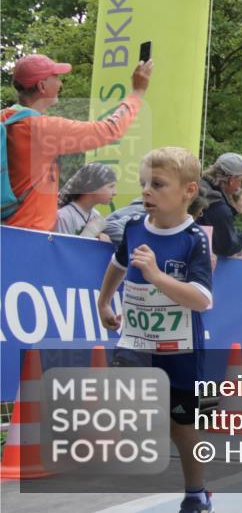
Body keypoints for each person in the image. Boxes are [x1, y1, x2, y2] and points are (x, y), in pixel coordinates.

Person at [96, 147, 213, 513]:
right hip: (136, 341)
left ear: (187, 191)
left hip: (180, 349)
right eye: (144, 183)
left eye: (158, 184)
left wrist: (156, 276)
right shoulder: (132, 229)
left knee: (182, 426)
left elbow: (201, 300)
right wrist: (104, 301)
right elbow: (117, 264)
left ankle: (196, 493)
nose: (147, 191)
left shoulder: (195, 240)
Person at [2, 54, 151, 231]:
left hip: (7, 230)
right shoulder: (40, 128)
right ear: (42, 86)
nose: (60, 83)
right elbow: (110, 130)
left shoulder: (6, 119)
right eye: (56, 77)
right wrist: (137, 92)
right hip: (31, 235)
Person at [54, 163, 117, 240]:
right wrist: (90, 232)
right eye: (111, 186)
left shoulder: (96, 215)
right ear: (91, 186)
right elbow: (62, 249)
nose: (115, 193)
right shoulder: (64, 216)